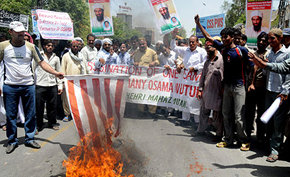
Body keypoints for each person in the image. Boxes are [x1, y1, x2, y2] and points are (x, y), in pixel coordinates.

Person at [0, 21, 64, 154]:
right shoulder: (3, 46)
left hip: (28, 86)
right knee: (11, 116)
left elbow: (42, 63)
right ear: (10, 32)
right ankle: (12, 141)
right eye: (17, 34)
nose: (21, 36)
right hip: (10, 86)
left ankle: (29, 138)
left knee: (30, 114)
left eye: (22, 33)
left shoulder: (31, 47)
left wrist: (56, 73)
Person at [195, 14, 252, 151]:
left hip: (239, 86)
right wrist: (198, 24)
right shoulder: (223, 49)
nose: (224, 39)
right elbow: (209, 37)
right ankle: (227, 139)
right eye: (223, 37)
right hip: (227, 86)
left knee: (238, 116)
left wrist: (251, 83)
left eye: (226, 37)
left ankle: (244, 140)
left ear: (232, 37)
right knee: (226, 114)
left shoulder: (241, 50)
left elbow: (252, 65)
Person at [248, 28, 290, 162]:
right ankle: (268, 144)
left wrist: (284, 92)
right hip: (269, 91)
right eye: (268, 39)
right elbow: (265, 69)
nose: (269, 41)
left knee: (278, 123)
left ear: (280, 38)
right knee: (269, 120)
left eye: (272, 38)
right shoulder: (270, 53)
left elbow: (287, 75)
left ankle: (275, 150)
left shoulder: (287, 53)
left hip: (280, 93)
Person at [170, 28, 207, 124]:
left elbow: (205, 63)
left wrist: (194, 68)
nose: (191, 44)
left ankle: (197, 121)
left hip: (196, 79)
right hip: (186, 79)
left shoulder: (202, 51)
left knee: (195, 100)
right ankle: (185, 119)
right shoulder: (185, 50)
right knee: (185, 98)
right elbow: (173, 47)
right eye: (190, 42)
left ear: (197, 42)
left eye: (193, 42)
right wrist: (173, 37)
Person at [193, 41, 224, 141]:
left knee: (217, 114)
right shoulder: (207, 61)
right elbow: (203, 76)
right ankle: (201, 130)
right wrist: (200, 89)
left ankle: (218, 134)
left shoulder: (221, 60)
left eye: (210, 47)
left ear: (215, 47)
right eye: (206, 48)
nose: (207, 49)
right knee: (203, 112)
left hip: (217, 92)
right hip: (206, 91)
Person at [33, 40, 63, 133]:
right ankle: (39, 125)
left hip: (52, 84)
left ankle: (52, 123)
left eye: (52, 46)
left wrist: (60, 85)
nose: (50, 47)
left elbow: (59, 72)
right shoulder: (38, 56)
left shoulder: (56, 58)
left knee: (52, 106)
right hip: (40, 84)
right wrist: (33, 84)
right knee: (39, 106)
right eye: (48, 45)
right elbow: (33, 70)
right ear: (44, 46)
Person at [245, 32, 269, 143]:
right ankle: (248, 135)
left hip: (264, 89)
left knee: (261, 114)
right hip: (251, 89)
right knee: (249, 113)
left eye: (264, 40)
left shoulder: (269, 55)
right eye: (260, 40)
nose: (261, 42)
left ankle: (260, 137)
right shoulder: (251, 54)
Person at [61, 41, 88, 122]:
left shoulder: (81, 56)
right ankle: (67, 114)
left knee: (78, 98)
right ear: (70, 47)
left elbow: (85, 68)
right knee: (67, 98)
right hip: (68, 81)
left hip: (79, 81)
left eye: (77, 46)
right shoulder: (66, 56)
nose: (75, 48)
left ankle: (77, 114)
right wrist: (62, 82)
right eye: (74, 46)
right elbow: (63, 69)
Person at [132, 38, 159, 116]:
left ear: (146, 43)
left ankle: (152, 112)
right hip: (140, 78)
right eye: (140, 44)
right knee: (140, 94)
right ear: (138, 45)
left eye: (143, 44)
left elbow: (158, 61)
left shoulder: (152, 52)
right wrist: (135, 64)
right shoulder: (136, 53)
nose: (142, 46)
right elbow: (133, 62)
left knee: (151, 94)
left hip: (150, 78)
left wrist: (154, 63)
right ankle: (141, 111)